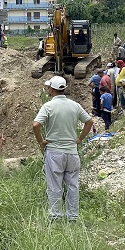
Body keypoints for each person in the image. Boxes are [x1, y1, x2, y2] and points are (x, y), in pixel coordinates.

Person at [32, 76, 94, 221]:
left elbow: (36, 125)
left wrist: (41, 141)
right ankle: (72, 216)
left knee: (55, 185)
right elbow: (89, 122)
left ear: (52, 89)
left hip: (54, 152)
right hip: (72, 152)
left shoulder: (48, 106)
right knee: (73, 185)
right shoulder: (75, 105)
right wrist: (79, 139)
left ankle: (56, 216)